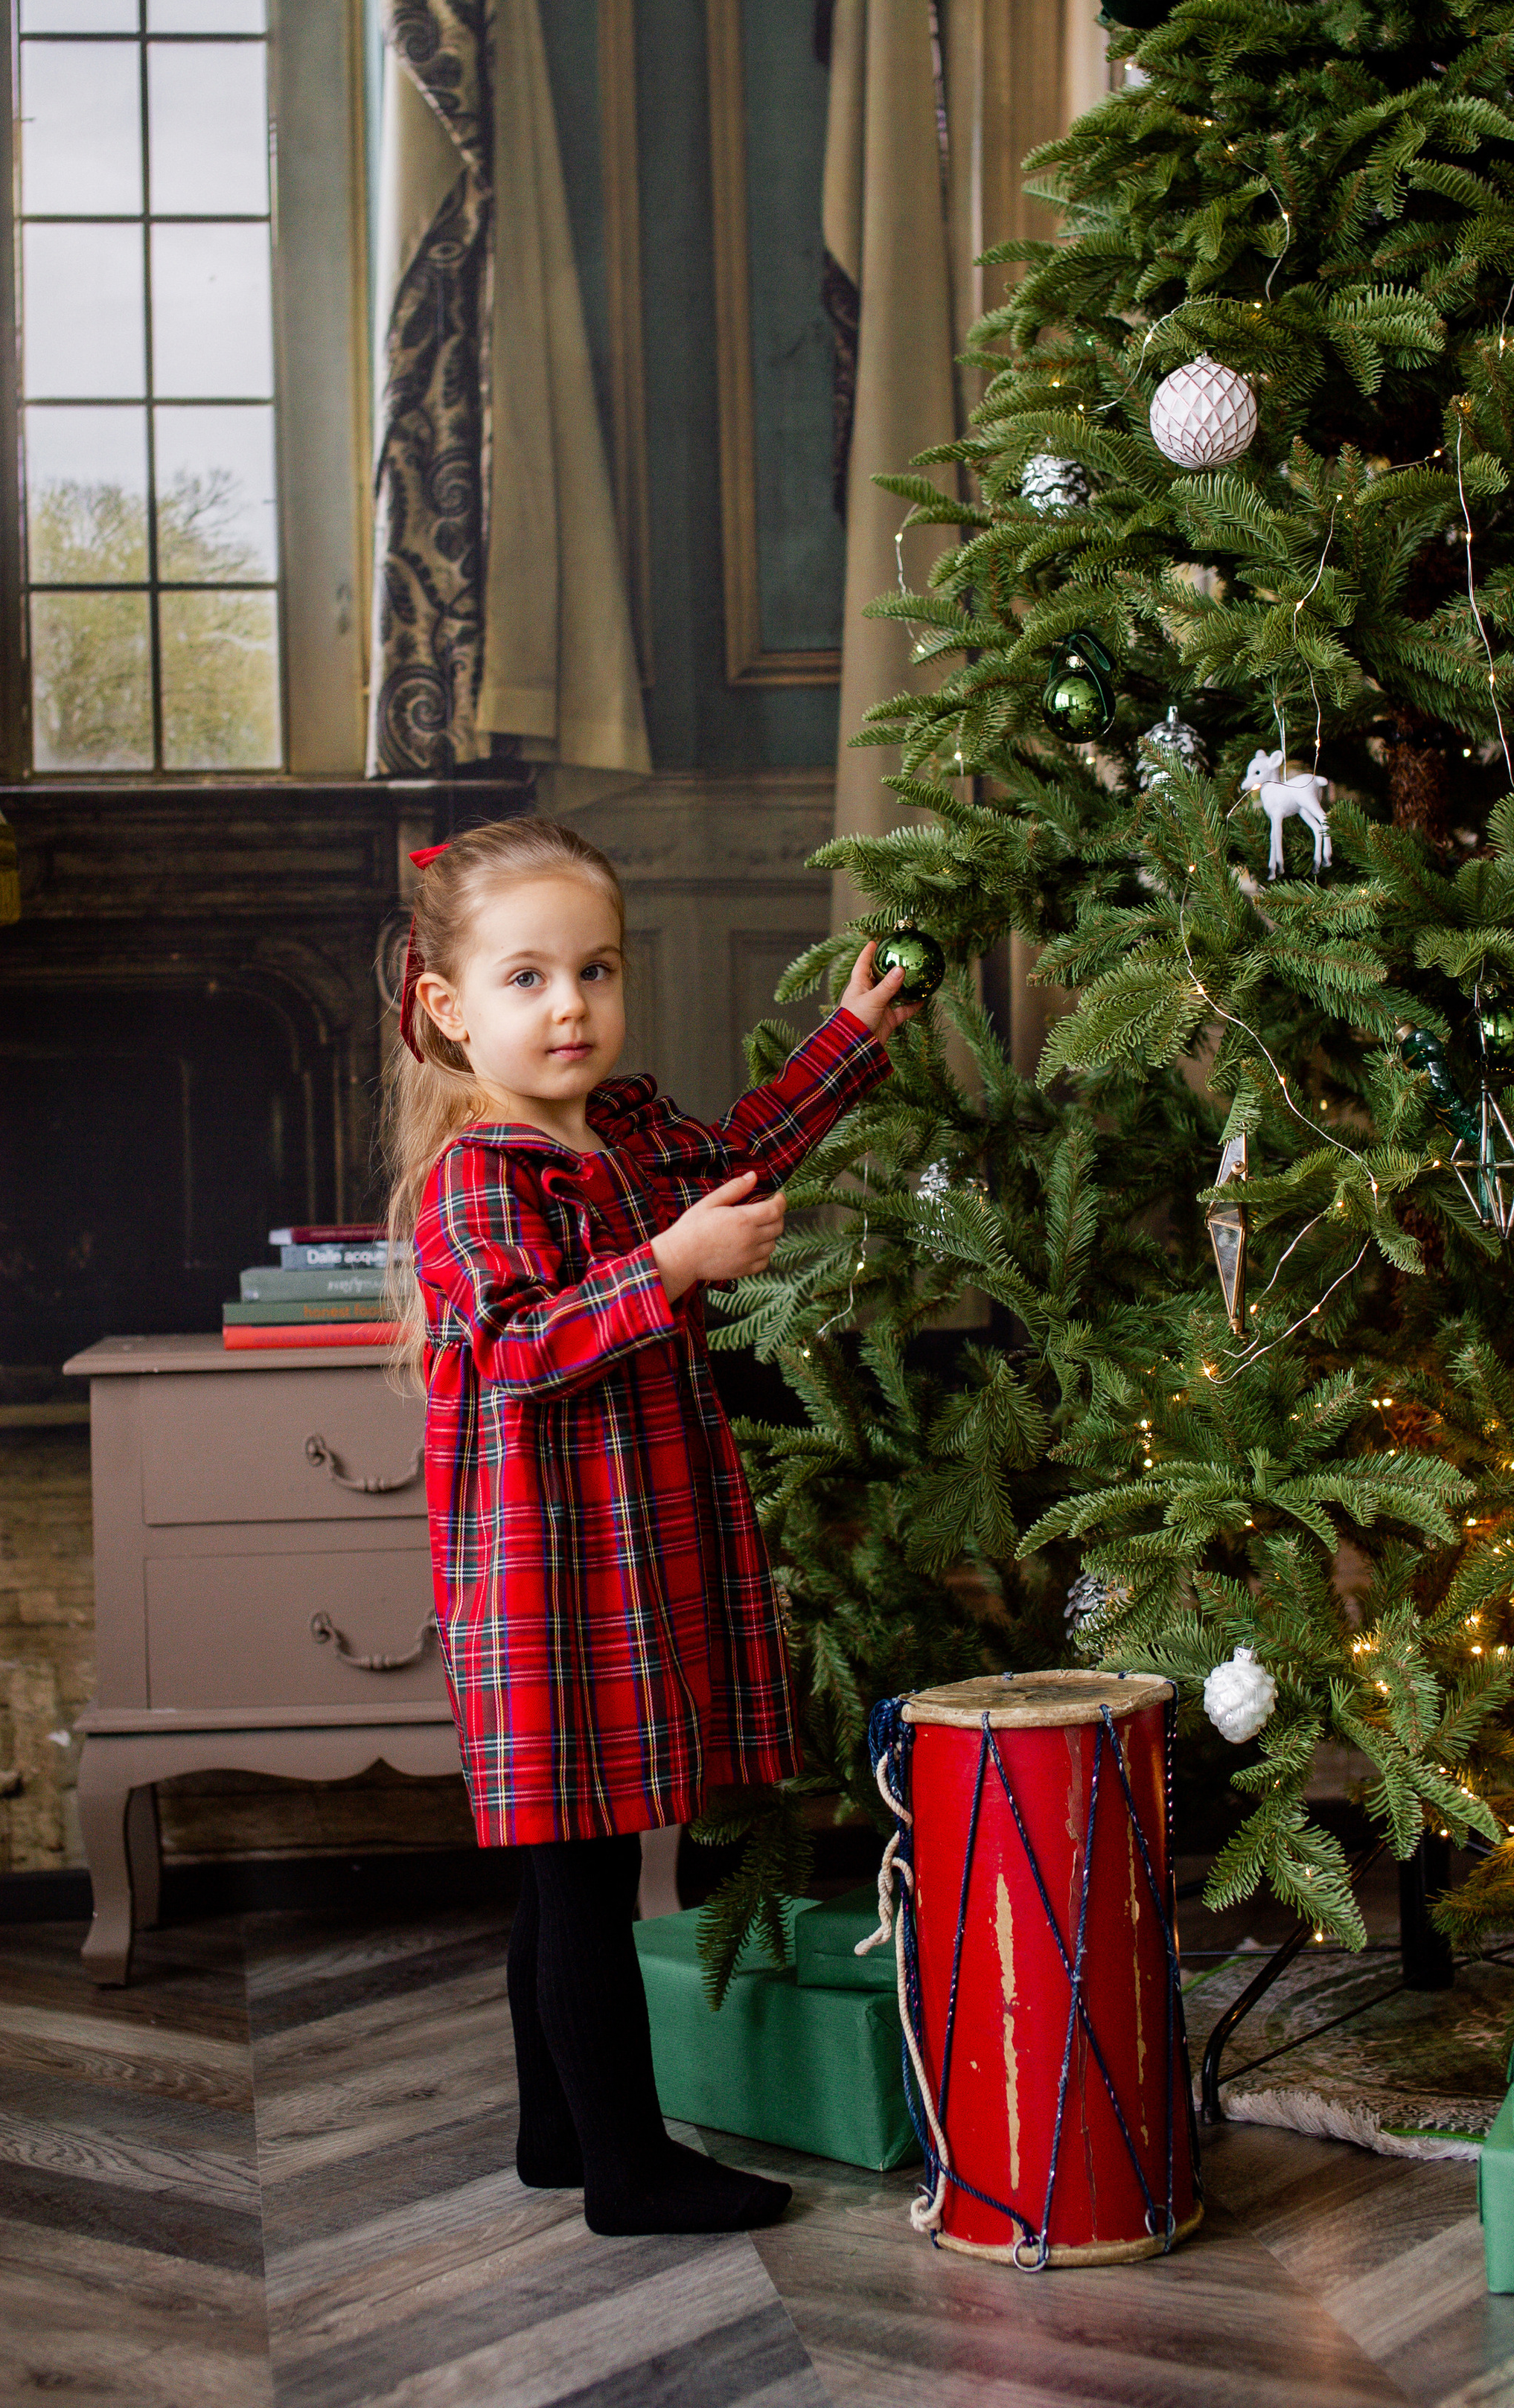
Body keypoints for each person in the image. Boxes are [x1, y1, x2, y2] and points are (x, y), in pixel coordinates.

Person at [385, 815, 912, 2235]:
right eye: (527, 978)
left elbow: (739, 1150)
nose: (571, 1006)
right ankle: (628, 2167)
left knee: (579, 1864)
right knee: (581, 1880)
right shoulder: (479, 1174)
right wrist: (671, 1264)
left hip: (630, 1555)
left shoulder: (621, 1129)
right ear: (449, 1007)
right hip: (545, 1579)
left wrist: (850, 1036)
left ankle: (556, 2131)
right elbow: (522, 1344)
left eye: (596, 970)